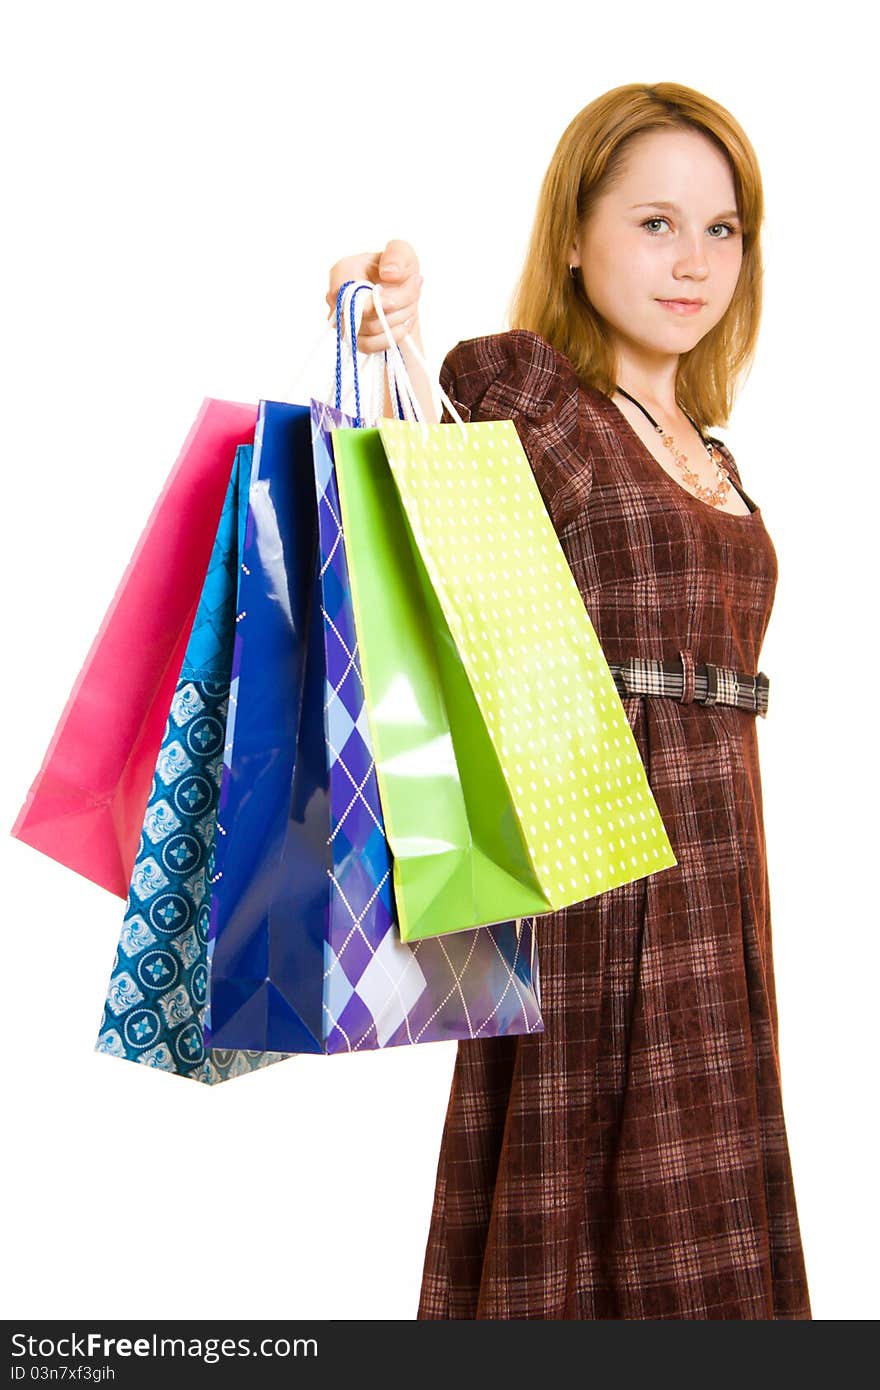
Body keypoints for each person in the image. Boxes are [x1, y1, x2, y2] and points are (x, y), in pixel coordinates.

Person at [326, 81, 811, 1320]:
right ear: (573, 235)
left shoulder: (708, 446)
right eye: (654, 222)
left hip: (717, 883)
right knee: (603, 1225)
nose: (693, 260)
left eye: (721, 228)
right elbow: (433, 498)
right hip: (599, 880)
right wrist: (396, 331)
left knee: (711, 1215)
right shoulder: (536, 396)